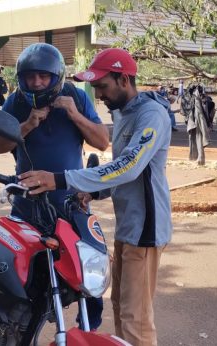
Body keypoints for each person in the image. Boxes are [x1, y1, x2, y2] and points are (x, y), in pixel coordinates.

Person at [17, 48, 172, 346]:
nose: (99, 95)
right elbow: (121, 173)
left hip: (146, 231)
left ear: (124, 79)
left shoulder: (151, 114)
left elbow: (129, 166)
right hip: (130, 228)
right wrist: (93, 190)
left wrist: (61, 179)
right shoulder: (125, 113)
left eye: (103, 86)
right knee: (122, 311)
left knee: (135, 319)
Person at [0, 43, 110, 331]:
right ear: (22, 78)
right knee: (24, 282)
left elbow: (102, 142)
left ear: (56, 77)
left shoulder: (76, 97)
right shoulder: (16, 103)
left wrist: (75, 116)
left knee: (87, 276)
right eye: (31, 77)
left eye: (43, 76)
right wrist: (27, 125)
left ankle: (85, 331)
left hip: (72, 206)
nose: (37, 82)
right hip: (27, 208)